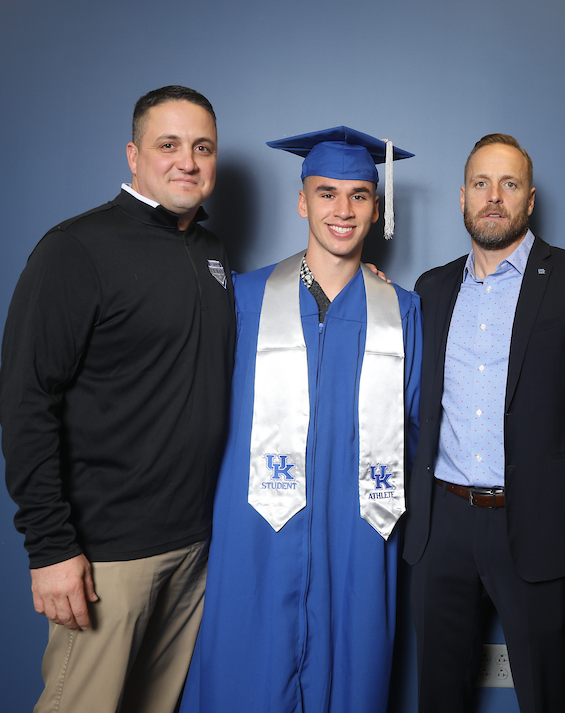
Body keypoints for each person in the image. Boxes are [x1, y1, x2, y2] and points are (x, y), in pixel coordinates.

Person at [0, 85, 235, 713]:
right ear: (133, 155)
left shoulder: (210, 252)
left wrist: (350, 282)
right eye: (168, 145)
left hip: (194, 546)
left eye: (202, 147)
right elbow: (25, 401)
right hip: (107, 554)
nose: (187, 161)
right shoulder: (76, 248)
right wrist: (50, 547)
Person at [180, 126, 422, 713]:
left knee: (352, 677)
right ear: (301, 201)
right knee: (245, 679)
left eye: (359, 196)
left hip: (358, 534)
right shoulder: (244, 298)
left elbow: (415, 429)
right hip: (256, 531)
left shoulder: (402, 311)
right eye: (326, 193)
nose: (343, 210)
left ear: (376, 209)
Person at [403, 133, 565, 713]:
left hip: (538, 525)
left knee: (547, 695)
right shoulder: (431, 289)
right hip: (442, 525)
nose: (493, 196)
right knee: (437, 695)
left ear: (529, 200)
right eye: (481, 183)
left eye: (509, 184)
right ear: (462, 196)